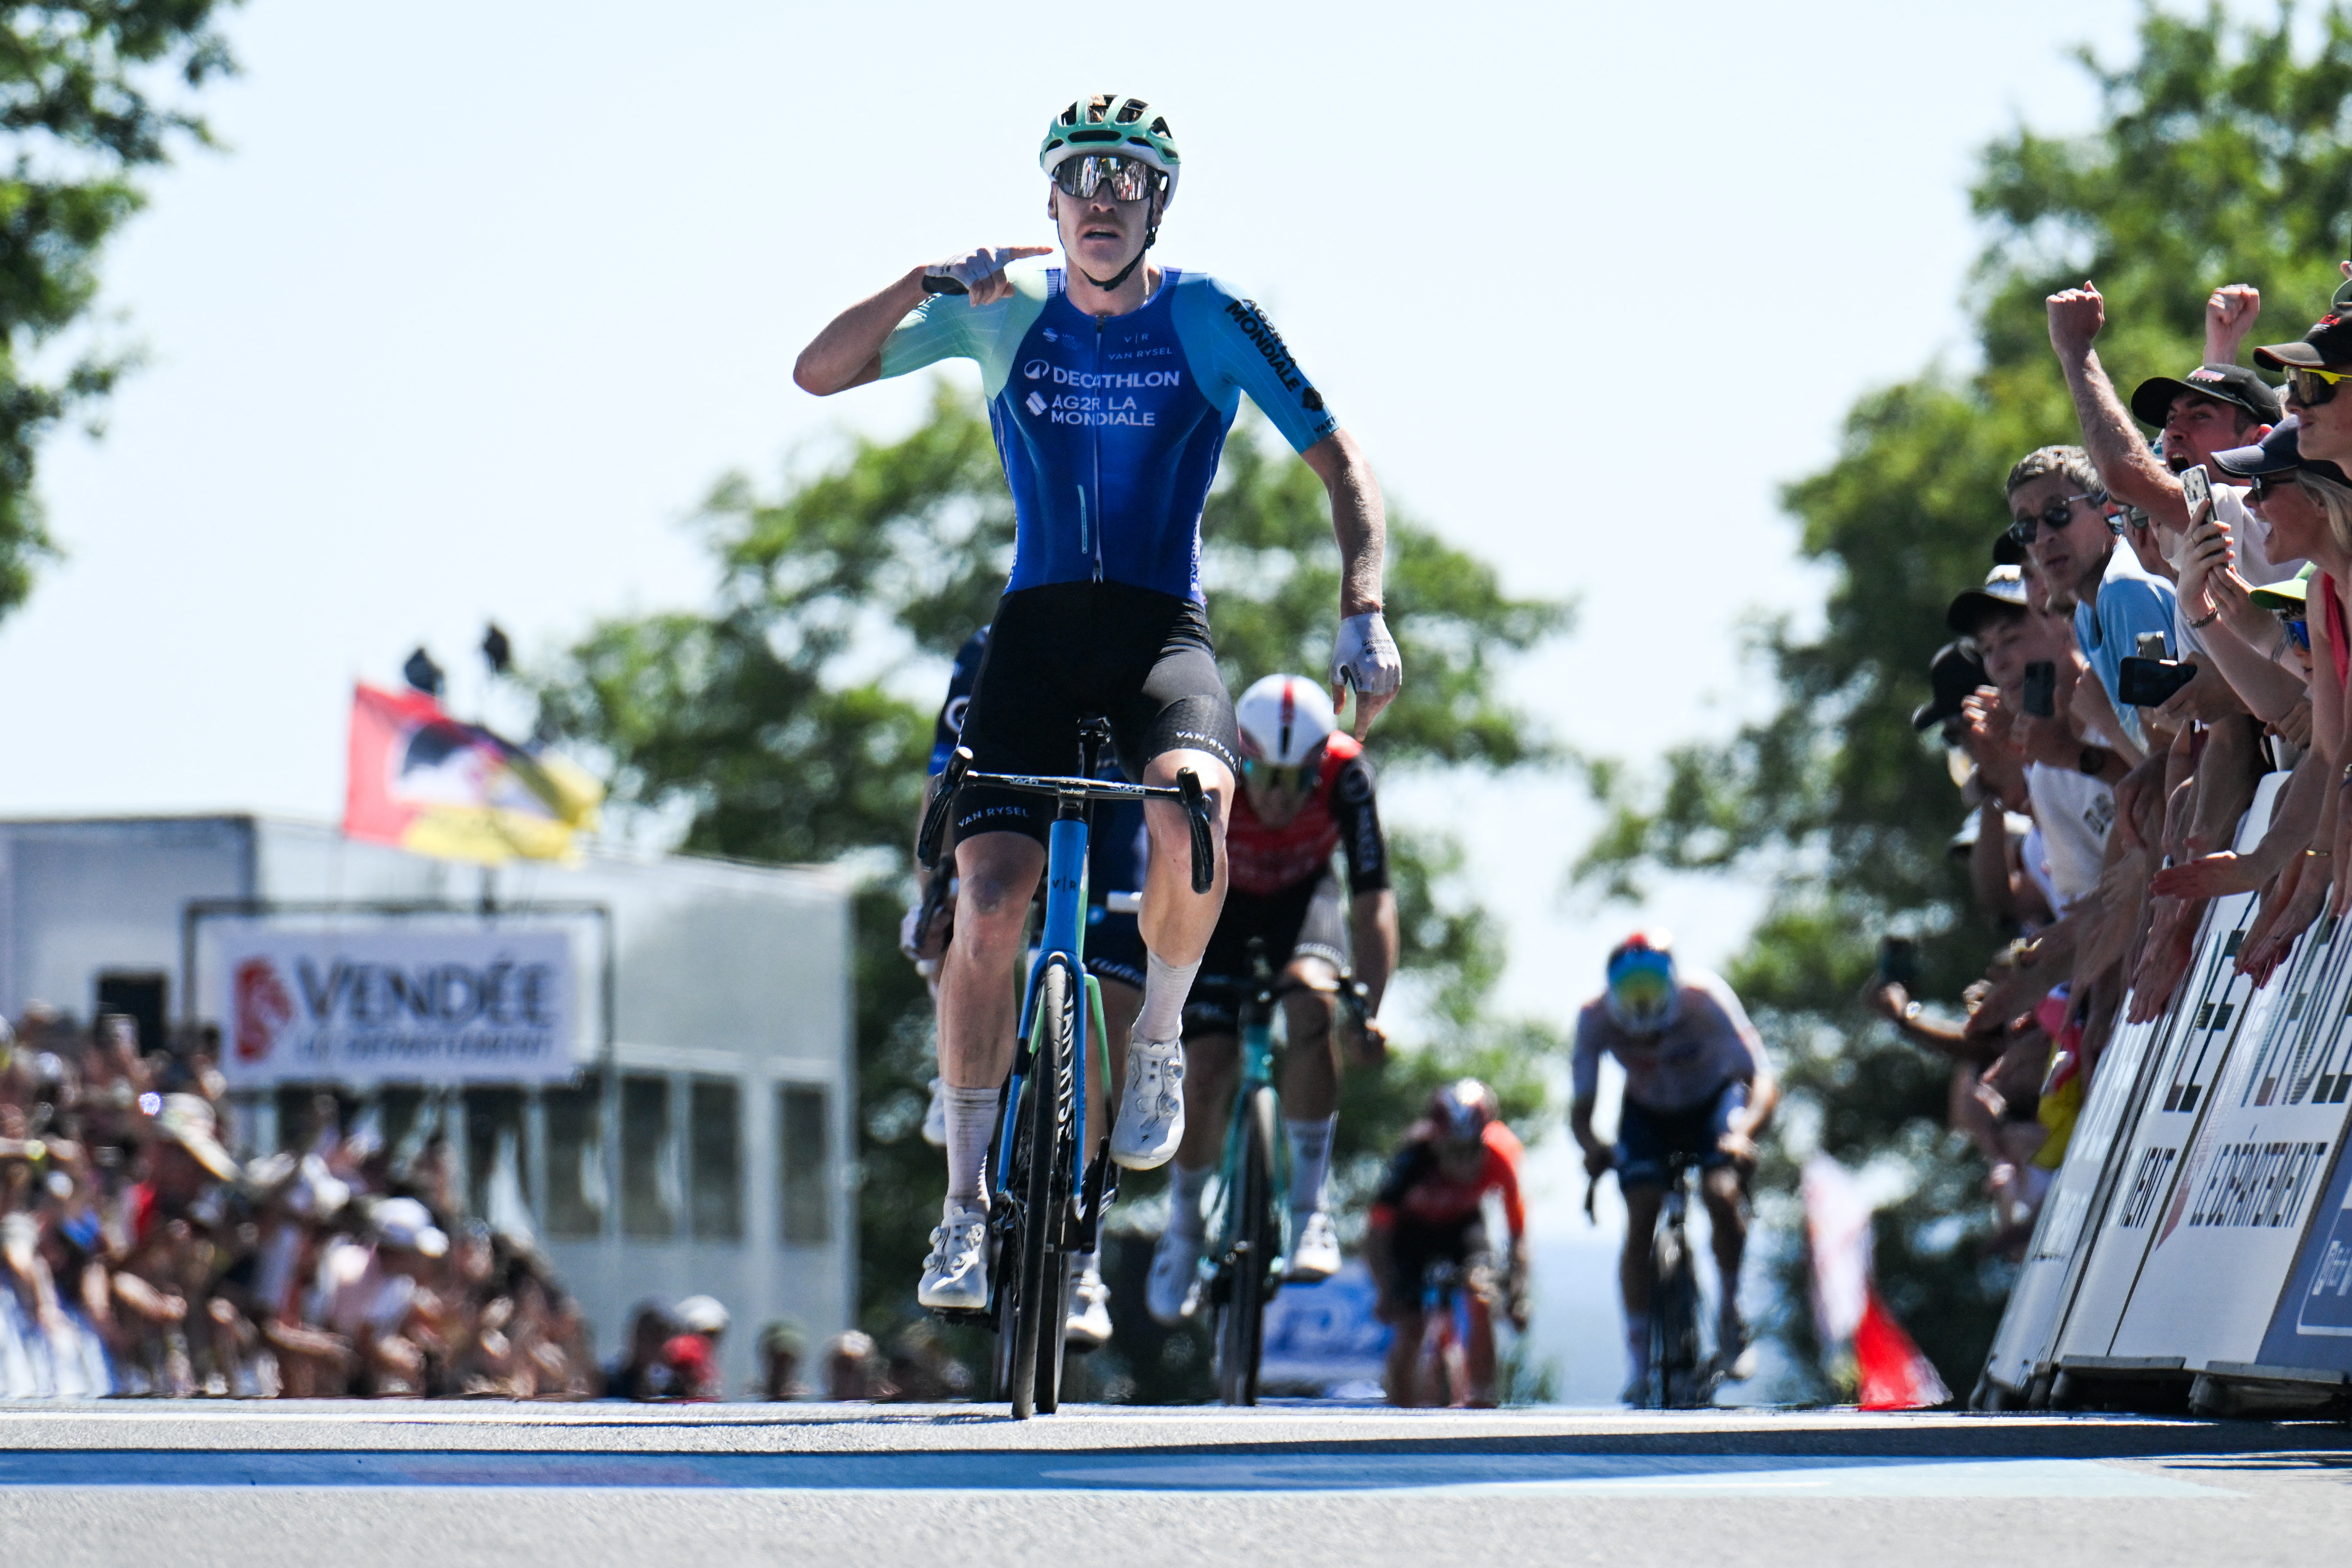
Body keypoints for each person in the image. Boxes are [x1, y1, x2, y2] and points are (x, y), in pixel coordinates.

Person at [794, 93, 1403, 1315]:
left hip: (1155, 634)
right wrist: (921, 279)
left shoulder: (1208, 316)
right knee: (988, 899)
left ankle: (1160, 1042)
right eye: (1082, 177)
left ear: (1158, 199)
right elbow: (818, 373)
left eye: (1129, 178)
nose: (1105, 197)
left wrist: (1362, 605)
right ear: (1051, 204)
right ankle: (963, 1211)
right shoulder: (1001, 313)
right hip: (1033, 634)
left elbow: (1343, 466)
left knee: (1192, 810)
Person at [903, 625, 1148, 1348]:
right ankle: (962, 1195)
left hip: (1117, 823)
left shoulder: (1146, 633)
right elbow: (942, 779)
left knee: (1110, 997)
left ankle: (1084, 1260)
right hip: (1013, 790)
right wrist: (932, 894)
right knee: (971, 916)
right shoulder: (990, 650)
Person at [1146, 673, 1396, 1322]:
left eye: (1298, 781)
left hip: (1301, 902)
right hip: (1221, 904)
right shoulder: (1213, 754)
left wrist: (1368, 1006)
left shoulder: (1348, 772)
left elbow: (1373, 900)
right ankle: (1183, 1228)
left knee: (1313, 1006)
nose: (1281, 798)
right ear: (1243, 754)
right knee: (1205, 1070)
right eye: (1267, 777)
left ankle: (1312, 1211)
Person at [1569, 933, 1777, 1400]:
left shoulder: (1704, 1000)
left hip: (1712, 1106)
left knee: (1721, 1193)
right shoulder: (1594, 1017)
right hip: (1647, 1115)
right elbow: (1581, 1107)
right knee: (1640, 1215)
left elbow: (1761, 1077)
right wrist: (1592, 1146)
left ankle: (1729, 1313)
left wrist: (1743, 1132)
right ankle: (1638, 1367)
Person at [1364, 1080, 1527, 1408]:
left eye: (1471, 1151)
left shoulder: (1502, 1154)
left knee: (1482, 1296)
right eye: (1452, 1150)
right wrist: (1386, 1290)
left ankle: (1484, 1399)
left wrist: (1518, 1294)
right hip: (1411, 1232)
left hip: (1464, 1227)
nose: (1463, 1164)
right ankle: (1399, 1412)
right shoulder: (1411, 1157)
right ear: (1435, 1140)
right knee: (1411, 1322)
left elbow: (1517, 1232)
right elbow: (1378, 1232)